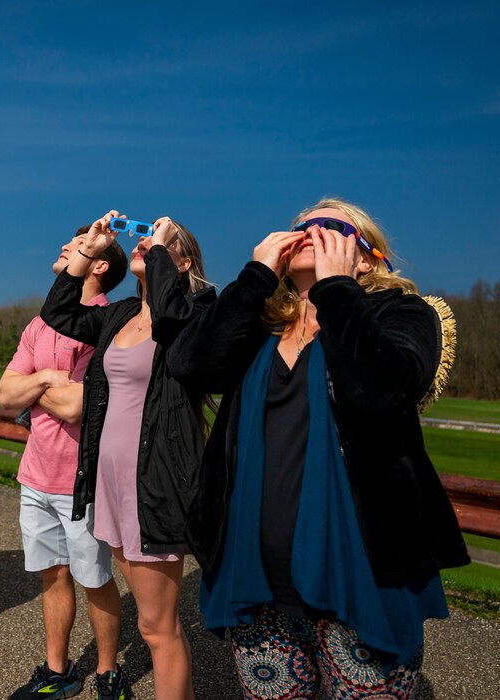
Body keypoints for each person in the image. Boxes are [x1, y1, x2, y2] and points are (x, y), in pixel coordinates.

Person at [168, 198, 470, 699]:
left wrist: (337, 289)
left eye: (330, 226)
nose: (309, 231)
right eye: (301, 226)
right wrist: (254, 278)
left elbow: (383, 388)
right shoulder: (260, 323)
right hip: (257, 578)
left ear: (368, 257)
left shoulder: (403, 313)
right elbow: (191, 365)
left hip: (363, 574)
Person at [40, 211, 215, 700]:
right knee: (151, 622)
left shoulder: (198, 309)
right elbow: (60, 315)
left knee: (159, 627)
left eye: (164, 243)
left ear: (181, 263)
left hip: (154, 484)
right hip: (111, 483)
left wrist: (156, 252)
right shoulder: (118, 315)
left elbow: (173, 321)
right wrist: (90, 252)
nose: (147, 245)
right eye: (147, 241)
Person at [0, 227, 131, 700]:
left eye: (76, 247)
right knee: (51, 576)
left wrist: (35, 382)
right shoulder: (39, 324)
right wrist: (50, 377)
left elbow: (78, 407)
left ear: (98, 265)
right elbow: (4, 392)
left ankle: (108, 670)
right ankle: (58, 671)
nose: (62, 248)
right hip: (34, 476)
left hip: (82, 481)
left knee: (94, 579)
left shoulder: (108, 323)